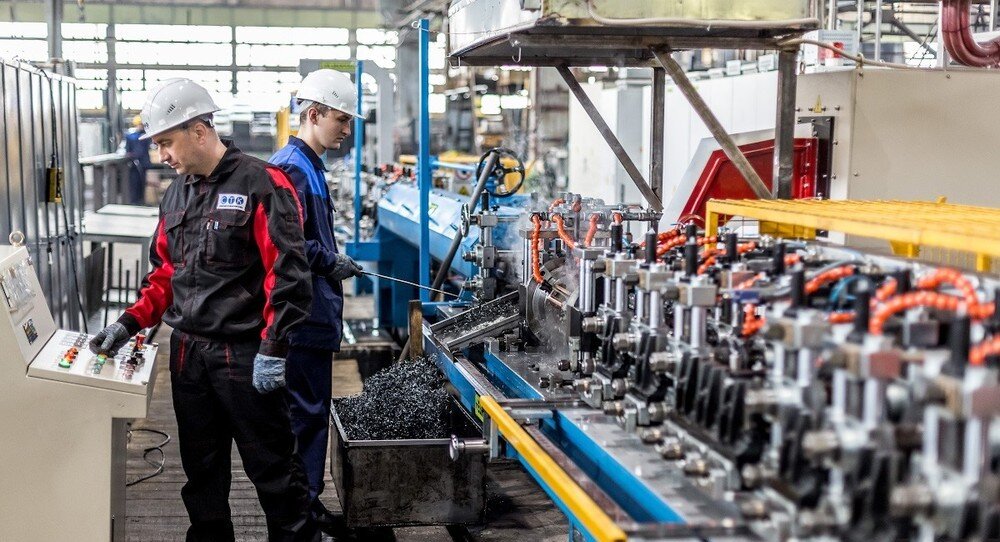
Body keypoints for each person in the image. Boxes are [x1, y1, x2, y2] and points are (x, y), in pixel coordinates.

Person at [89, 78, 318, 542]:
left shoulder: (262, 183)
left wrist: (274, 348)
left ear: (198, 130)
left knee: (274, 472)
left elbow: (287, 275)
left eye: (167, 143)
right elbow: (166, 276)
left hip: (246, 356)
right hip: (187, 355)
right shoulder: (177, 195)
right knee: (202, 474)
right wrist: (129, 322)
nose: (162, 156)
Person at [268, 69, 364, 535]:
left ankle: (307, 503)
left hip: (315, 313)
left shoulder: (309, 166)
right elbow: (286, 244)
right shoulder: (291, 167)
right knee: (303, 417)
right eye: (342, 120)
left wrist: (330, 259)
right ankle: (299, 517)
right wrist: (329, 262)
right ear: (313, 113)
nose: (347, 130)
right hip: (302, 315)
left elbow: (307, 235)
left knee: (310, 414)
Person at [123, 114, 152, 205]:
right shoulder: (131, 136)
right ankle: (135, 201)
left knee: (142, 183)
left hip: (143, 163)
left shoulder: (146, 136)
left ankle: (141, 200)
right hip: (134, 164)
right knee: (134, 184)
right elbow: (128, 150)